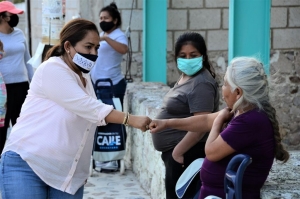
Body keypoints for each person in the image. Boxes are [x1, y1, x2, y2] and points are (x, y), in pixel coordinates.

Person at [0, 18, 151, 199]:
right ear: (68, 46)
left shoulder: (85, 80)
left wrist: (79, 171)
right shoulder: (52, 69)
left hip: (66, 174)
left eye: (97, 48)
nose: (93, 53)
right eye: (88, 47)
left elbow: (86, 128)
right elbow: (88, 108)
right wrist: (131, 119)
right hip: (27, 163)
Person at [150, 56, 290, 199]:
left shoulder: (250, 122)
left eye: (224, 84)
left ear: (238, 92)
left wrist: (218, 122)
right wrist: (167, 123)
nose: (222, 89)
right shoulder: (242, 112)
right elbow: (204, 120)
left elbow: (211, 151)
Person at [151, 32, 219, 199]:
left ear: (202, 56)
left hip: (188, 153)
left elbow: (201, 125)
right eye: (183, 56)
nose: (188, 59)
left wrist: (177, 153)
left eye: (193, 55)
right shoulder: (186, 77)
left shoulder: (201, 83)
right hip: (179, 153)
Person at [0, 1, 34, 154]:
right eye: (11, 14)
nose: (15, 17)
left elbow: (28, 60)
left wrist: (33, 84)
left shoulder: (19, 33)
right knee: (1, 129)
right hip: (2, 89)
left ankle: (21, 162)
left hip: (21, 86)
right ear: (3, 17)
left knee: (23, 127)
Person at [91, 2, 128, 106]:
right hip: (97, 84)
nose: (102, 21)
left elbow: (124, 49)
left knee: (111, 119)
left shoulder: (119, 35)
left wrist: (106, 39)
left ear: (115, 20)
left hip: (111, 84)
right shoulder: (101, 34)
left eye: (106, 18)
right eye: (101, 18)